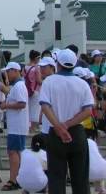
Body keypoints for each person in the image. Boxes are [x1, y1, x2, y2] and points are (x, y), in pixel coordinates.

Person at [39, 48, 94, 194]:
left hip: (55, 133)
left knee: (56, 177)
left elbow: (45, 106)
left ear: (57, 64)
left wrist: (59, 127)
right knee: (81, 178)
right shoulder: (82, 84)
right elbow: (88, 110)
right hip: (77, 132)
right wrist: (68, 125)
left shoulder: (49, 82)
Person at [0, 62, 29, 191]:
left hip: (17, 126)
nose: (7, 74)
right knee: (16, 152)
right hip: (16, 125)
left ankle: (14, 179)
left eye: (8, 71)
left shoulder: (19, 86)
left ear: (15, 71)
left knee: (13, 152)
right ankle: (18, 178)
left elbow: (22, 104)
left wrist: (6, 106)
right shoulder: (17, 86)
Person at [24, 50, 42, 133]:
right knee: (35, 109)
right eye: (39, 58)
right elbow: (39, 80)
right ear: (35, 58)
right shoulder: (36, 68)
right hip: (35, 91)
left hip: (27, 90)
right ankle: (33, 128)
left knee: (28, 109)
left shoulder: (25, 67)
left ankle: (28, 127)